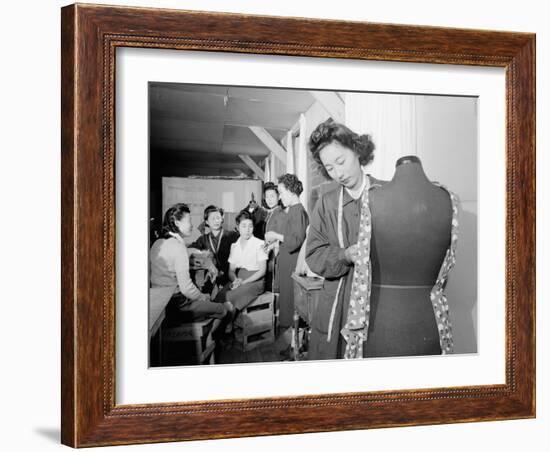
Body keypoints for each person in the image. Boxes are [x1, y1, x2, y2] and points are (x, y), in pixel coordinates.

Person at [304, 119, 381, 360]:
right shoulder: (326, 204)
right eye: (330, 168)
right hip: (338, 306)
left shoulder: (386, 194)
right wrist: (344, 255)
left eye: (341, 161)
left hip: (378, 302)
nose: (339, 173)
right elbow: (313, 255)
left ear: (357, 150)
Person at [150, 203, 231, 324]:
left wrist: (207, 262)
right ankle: (210, 340)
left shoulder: (157, 243)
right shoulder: (178, 247)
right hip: (177, 305)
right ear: (177, 223)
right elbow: (186, 288)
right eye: (189, 221)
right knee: (225, 308)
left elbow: (188, 251)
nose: (192, 225)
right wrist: (203, 298)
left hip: (158, 304)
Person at [264, 174, 309, 355]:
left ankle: (295, 348)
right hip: (287, 264)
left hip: (292, 266)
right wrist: (275, 243)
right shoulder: (294, 210)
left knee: (294, 308)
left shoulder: (297, 210)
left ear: (291, 191)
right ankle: (294, 346)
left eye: (281, 192)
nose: (280, 197)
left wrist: (275, 235)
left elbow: (294, 241)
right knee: (291, 308)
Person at [214, 210, 268, 325]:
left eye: (250, 226)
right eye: (243, 226)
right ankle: (222, 327)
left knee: (230, 297)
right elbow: (231, 270)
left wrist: (244, 282)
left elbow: (262, 271)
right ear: (237, 227)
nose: (247, 230)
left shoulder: (260, 244)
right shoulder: (235, 245)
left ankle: (223, 328)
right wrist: (235, 280)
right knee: (220, 296)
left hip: (255, 280)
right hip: (239, 278)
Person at [190, 205, 239, 290]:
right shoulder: (203, 239)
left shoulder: (233, 236)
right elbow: (190, 249)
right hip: (211, 278)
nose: (216, 221)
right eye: (212, 219)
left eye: (218, 218)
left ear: (222, 219)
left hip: (231, 277)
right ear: (207, 222)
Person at [262, 182, 287, 291]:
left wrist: (271, 248)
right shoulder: (271, 213)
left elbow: (281, 236)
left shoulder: (280, 213)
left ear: (278, 197)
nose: (269, 199)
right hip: (269, 251)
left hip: (276, 253)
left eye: (272, 196)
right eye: (267, 197)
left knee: (274, 284)